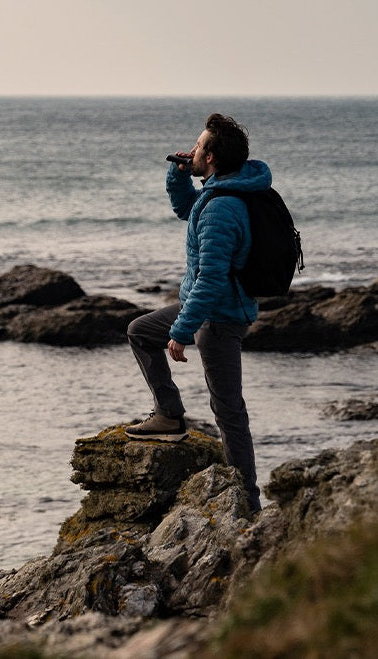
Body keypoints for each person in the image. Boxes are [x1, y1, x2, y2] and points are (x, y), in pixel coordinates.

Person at [125, 113, 270, 514]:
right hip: (206, 306)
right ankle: (169, 414)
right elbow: (187, 210)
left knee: (228, 411)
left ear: (212, 157)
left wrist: (183, 329)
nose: (192, 149)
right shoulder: (220, 191)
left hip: (220, 317)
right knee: (140, 331)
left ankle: (247, 503)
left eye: (199, 145)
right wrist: (179, 174)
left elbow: (212, 277)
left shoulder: (224, 208)